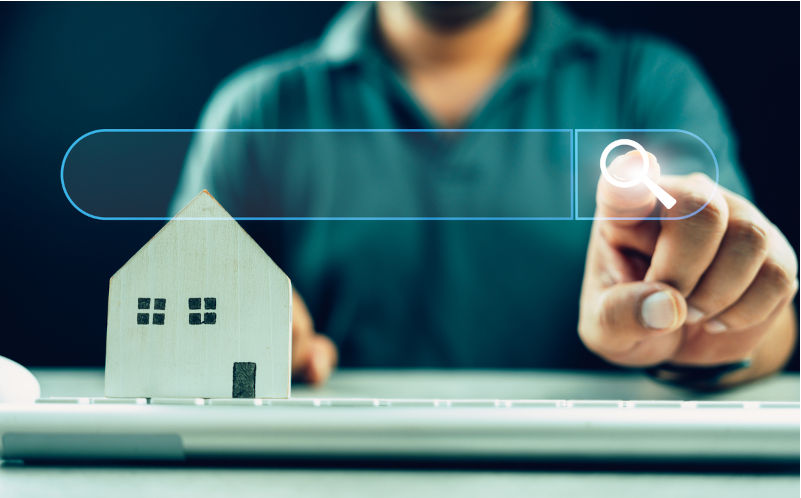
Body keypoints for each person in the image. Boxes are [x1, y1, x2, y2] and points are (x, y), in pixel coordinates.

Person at [171, 2, 797, 389]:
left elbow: (759, 302)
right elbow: (175, 318)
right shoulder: (259, 111)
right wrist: (231, 341)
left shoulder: (647, 83)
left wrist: (718, 328)